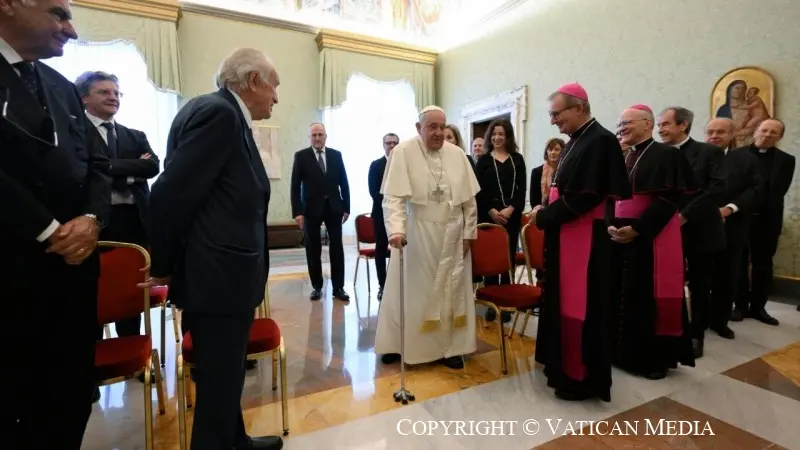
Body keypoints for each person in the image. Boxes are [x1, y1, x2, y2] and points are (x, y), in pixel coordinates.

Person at [141, 47, 282, 450]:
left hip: (220, 275)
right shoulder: (220, 114)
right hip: (219, 277)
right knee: (221, 377)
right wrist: (164, 264)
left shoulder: (217, 111)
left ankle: (233, 439)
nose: (276, 96)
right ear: (253, 81)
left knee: (224, 377)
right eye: (274, 86)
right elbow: (170, 192)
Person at [0, 1, 111, 448]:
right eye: (58, 14)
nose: (70, 29)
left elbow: (98, 164)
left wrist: (91, 218)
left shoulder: (62, 87)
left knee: (68, 396)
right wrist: (49, 230)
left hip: (73, 274)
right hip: (12, 272)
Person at [529, 83, 630, 402]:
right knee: (563, 301)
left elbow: (585, 197)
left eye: (557, 114)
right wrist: (545, 207)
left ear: (579, 107)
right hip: (567, 234)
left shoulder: (600, 140)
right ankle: (561, 365)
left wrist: (545, 217)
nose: (553, 121)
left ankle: (580, 377)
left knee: (581, 305)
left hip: (583, 239)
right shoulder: (577, 140)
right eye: (551, 114)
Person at [374, 105, 480, 370]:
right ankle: (399, 344)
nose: (438, 132)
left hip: (453, 237)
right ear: (418, 127)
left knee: (451, 293)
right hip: (417, 235)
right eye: (431, 126)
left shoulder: (458, 155)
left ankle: (452, 348)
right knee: (411, 293)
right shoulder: (403, 152)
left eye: (442, 126)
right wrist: (396, 230)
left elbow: (470, 202)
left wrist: (469, 233)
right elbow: (393, 198)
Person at [609, 104, 696, 381]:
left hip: (650, 237)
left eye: (627, 124)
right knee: (622, 294)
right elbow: (612, 197)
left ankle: (652, 360)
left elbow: (671, 198)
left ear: (647, 124)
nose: (622, 129)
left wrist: (639, 229)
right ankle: (620, 353)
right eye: (620, 125)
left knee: (648, 297)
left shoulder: (666, 155)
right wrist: (610, 224)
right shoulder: (621, 157)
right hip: (619, 236)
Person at [77, 70, 160, 340]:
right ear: (84, 98)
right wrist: (130, 169)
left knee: (129, 289)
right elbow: (81, 169)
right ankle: (96, 357)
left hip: (133, 219)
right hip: (93, 222)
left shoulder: (134, 135)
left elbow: (152, 166)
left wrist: (108, 167)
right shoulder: (76, 132)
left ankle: (132, 350)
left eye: (116, 93)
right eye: (104, 92)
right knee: (95, 290)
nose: (112, 98)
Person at [657, 106, 726, 357]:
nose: (660, 130)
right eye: (659, 125)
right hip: (665, 229)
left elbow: (714, 190)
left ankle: (697, 335)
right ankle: (670, 330)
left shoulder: (709, 153)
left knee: (699, 284)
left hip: (700, 230)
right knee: (667, 282)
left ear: (683, 125)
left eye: (665, 124)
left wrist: (684, 216)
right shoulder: (659, 154)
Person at [705, 118, 762, 339]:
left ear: (732, 134)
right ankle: (698, 322)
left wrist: (729, 209)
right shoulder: (697, 155)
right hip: (700, 227)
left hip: (733, 226)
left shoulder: (746, 160)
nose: (714, 136)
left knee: (726, 276)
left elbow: (755, 191)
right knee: (701, 277)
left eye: (720, 132)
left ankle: (720, 321)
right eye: (710, 131)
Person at [735, 118, 794, 326]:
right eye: (764, 130)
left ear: (780, 137)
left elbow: (778, 191)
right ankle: (739, 306)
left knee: (763, 264)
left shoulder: (787, 160)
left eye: (773, 132)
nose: (767, 134)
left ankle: (759, 307)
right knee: (739, 262)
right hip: (740, 217)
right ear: (756, 131)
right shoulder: (736, 155)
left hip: (768, 219)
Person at [290, 122, 351, 301]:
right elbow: (294, 186)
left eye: (320, 134)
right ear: (309, 137)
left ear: (325, 136)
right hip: (310, 209)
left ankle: (338, 288)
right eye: (314, 135)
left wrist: (346, 207)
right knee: (313, 248)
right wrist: (297, 212)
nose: (317, 138)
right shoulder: (301, 156)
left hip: (334, 207)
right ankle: (317, 286)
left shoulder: (336, 155)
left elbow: (344, 182)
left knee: (337, 248)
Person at [368, 132, 399, 300]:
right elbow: (374, 192)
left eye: (395, 143)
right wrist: (393, 199)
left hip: (401, 214)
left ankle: (398, 285)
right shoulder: (376, 165)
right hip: (380, 213)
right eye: (388, 143)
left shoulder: (404, 165)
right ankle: (383, 285)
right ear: (383, 145)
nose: (392, 146)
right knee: (381, 249)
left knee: (400, 250)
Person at [529, 137, 565, 207]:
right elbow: (534, 201)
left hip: (562, 212)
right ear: (546, 152)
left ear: (563, 152)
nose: (553, 152)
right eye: (550, 150)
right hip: (542, 212)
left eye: (557, 150)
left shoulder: (566, 171)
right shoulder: (536, 172)